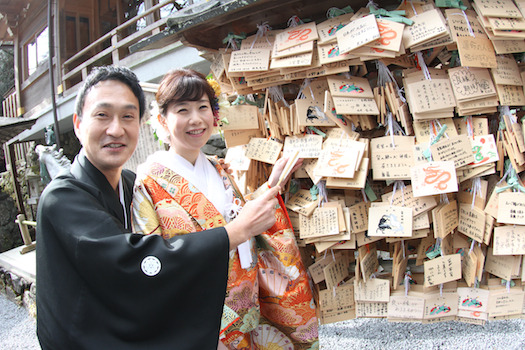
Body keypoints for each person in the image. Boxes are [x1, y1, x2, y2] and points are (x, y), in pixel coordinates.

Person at [35, 66, 280, 350]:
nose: (116, 129)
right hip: (89, 339)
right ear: (78, 123)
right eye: (102, 115)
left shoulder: (129, 182)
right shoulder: (62, 196)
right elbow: (135, 260)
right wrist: (236, 232)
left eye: (128, 116)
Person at [132, 69, 319, 349]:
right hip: (197, 312)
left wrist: (273, 183)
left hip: (245, 300)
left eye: (203, 108)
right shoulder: (147, 181)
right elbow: (152, 259)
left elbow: (241, 219)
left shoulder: (217, 167)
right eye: (182, 110)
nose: (196, 119)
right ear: (162, 120)